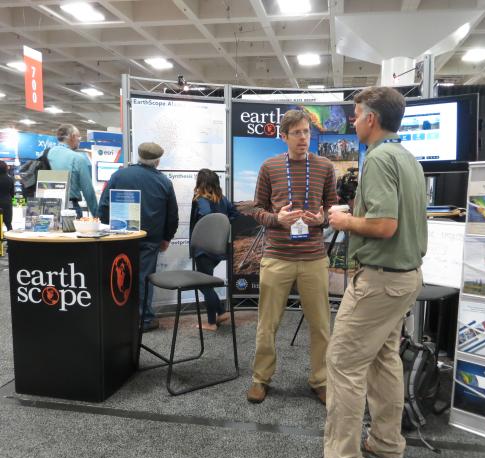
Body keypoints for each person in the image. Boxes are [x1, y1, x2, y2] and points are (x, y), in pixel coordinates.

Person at [296, 86, 427, 458]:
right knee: (385, 358)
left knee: (343, 364)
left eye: (355, 114)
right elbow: (392, 216)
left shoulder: (380, 159)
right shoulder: (407, 159)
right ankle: (388, 444)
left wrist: (343, 222)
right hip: (404, 279)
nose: (352, 121)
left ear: (371, 118)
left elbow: (385, 227)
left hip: (378, 281)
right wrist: (354, 213)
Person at [246, 109, 338, 405]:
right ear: (283, 136)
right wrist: (277, 220)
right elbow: (257, 209)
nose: (303, 138)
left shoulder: (324, 166)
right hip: (277, 256)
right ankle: (260, 378)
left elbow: (333, 209)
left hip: (313, 256)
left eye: (307, 132)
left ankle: (321, 380)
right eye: (296, 133)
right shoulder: (269, 166)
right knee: (267, 323)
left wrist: (323, 218)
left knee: (321, 324)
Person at [98, 142, 179, 332]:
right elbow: (172, 215)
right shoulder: (164, 182)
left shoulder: (119, 175)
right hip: (150, 240)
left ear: (138, 156)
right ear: (157, 161)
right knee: (143, 278)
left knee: (118, 275)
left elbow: (103, 207)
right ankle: (145, 319)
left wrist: (109, 227)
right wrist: (167, 238)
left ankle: (119, 317)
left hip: (120, 237)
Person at [189, 168, 239, 332]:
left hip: (203, 249)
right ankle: (218, 315)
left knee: (204, 285)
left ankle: (214, 319)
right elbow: (234, 214)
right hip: (218, 249)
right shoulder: (223, 199)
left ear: (200, 183)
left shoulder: (201, 199)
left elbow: (206, 215)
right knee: (207, 283)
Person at [47, 124, 98, 218]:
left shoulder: (46, 154)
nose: (80, 140)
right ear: (73, 136)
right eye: (79, 136)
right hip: (70, 208)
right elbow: (88, 190)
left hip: (47, 206)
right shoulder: (78, 158)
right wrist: (97, 215)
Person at [0, 161, 14, 231]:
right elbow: (12, 193)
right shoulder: (10, 179)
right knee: (8, 224)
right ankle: (10, 240)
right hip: (6, 202)